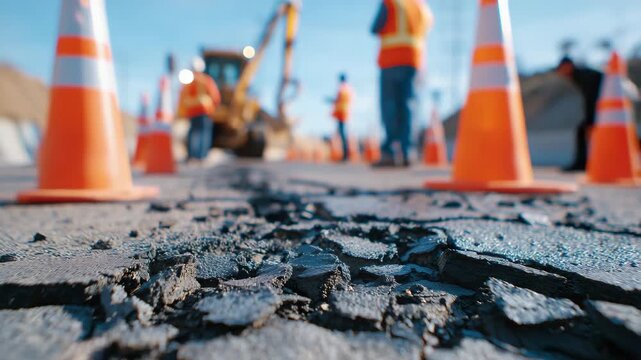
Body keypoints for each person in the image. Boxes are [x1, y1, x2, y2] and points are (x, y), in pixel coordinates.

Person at [371, 0, 433, 167]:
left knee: (390, 106)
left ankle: (390, 152)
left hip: (391, 60)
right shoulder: (422, 7)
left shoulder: (391, 2)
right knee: (409, 106)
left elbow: (375, 27)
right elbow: (425, 34)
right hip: (413, 61)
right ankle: (408, 151)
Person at [556, 57, 603, 171]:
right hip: (604, 104)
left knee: (582, 132)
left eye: (562, 68)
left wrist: (590, 119)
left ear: (568, 66)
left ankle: (581, 163)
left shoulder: (583, 76)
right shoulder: (578, 76)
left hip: (608, 103)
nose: (560, 72)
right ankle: (582, 163)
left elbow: (590, 97)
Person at [178, 57, 221, 162]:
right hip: (204, 110)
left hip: (192, 111)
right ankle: (201, 157)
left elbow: (182, 98)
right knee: (203, 133)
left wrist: (182, 113)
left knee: (193, 133)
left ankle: (192, 155)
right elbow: (215, 95)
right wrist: (215, 106)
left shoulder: (188, 82)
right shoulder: (206, 80)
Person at [331, 73, 353, 161]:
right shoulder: (348, 88)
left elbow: (339, 99)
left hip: (342, 113)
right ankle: (345, 154)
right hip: (344, 112)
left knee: (342, 134)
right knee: (342, 133)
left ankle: (345, 155)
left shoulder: (342, 88)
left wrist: (331, 100)